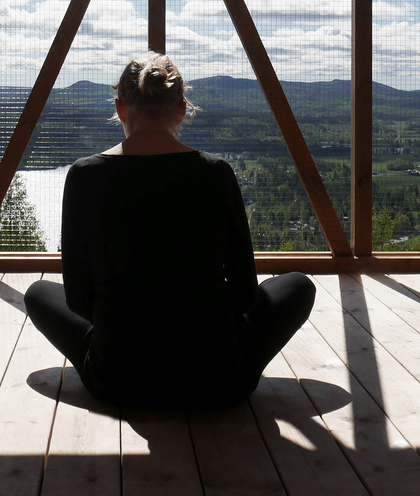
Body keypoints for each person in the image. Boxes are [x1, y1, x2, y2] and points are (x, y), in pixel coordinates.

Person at [24, 52, 315, 410]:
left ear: (120, 108)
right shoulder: (215, 173)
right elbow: (244, 296)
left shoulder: (85, 175)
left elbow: (78, 299)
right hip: (219, 381)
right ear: (182, 109)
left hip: (119, 380)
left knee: (39, 292)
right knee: (297, 285)